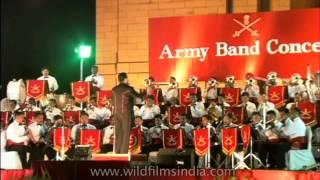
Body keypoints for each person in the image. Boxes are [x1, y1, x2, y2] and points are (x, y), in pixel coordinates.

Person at [112, 72, 141, 154]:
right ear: (125, 79)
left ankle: (117, 152)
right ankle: (123, 153)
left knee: (118, 133)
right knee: (125, 133)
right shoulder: (129, 88)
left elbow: (113, 102)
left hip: (116, 113)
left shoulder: (114, 89)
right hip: (125, 113)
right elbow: (138, 97)